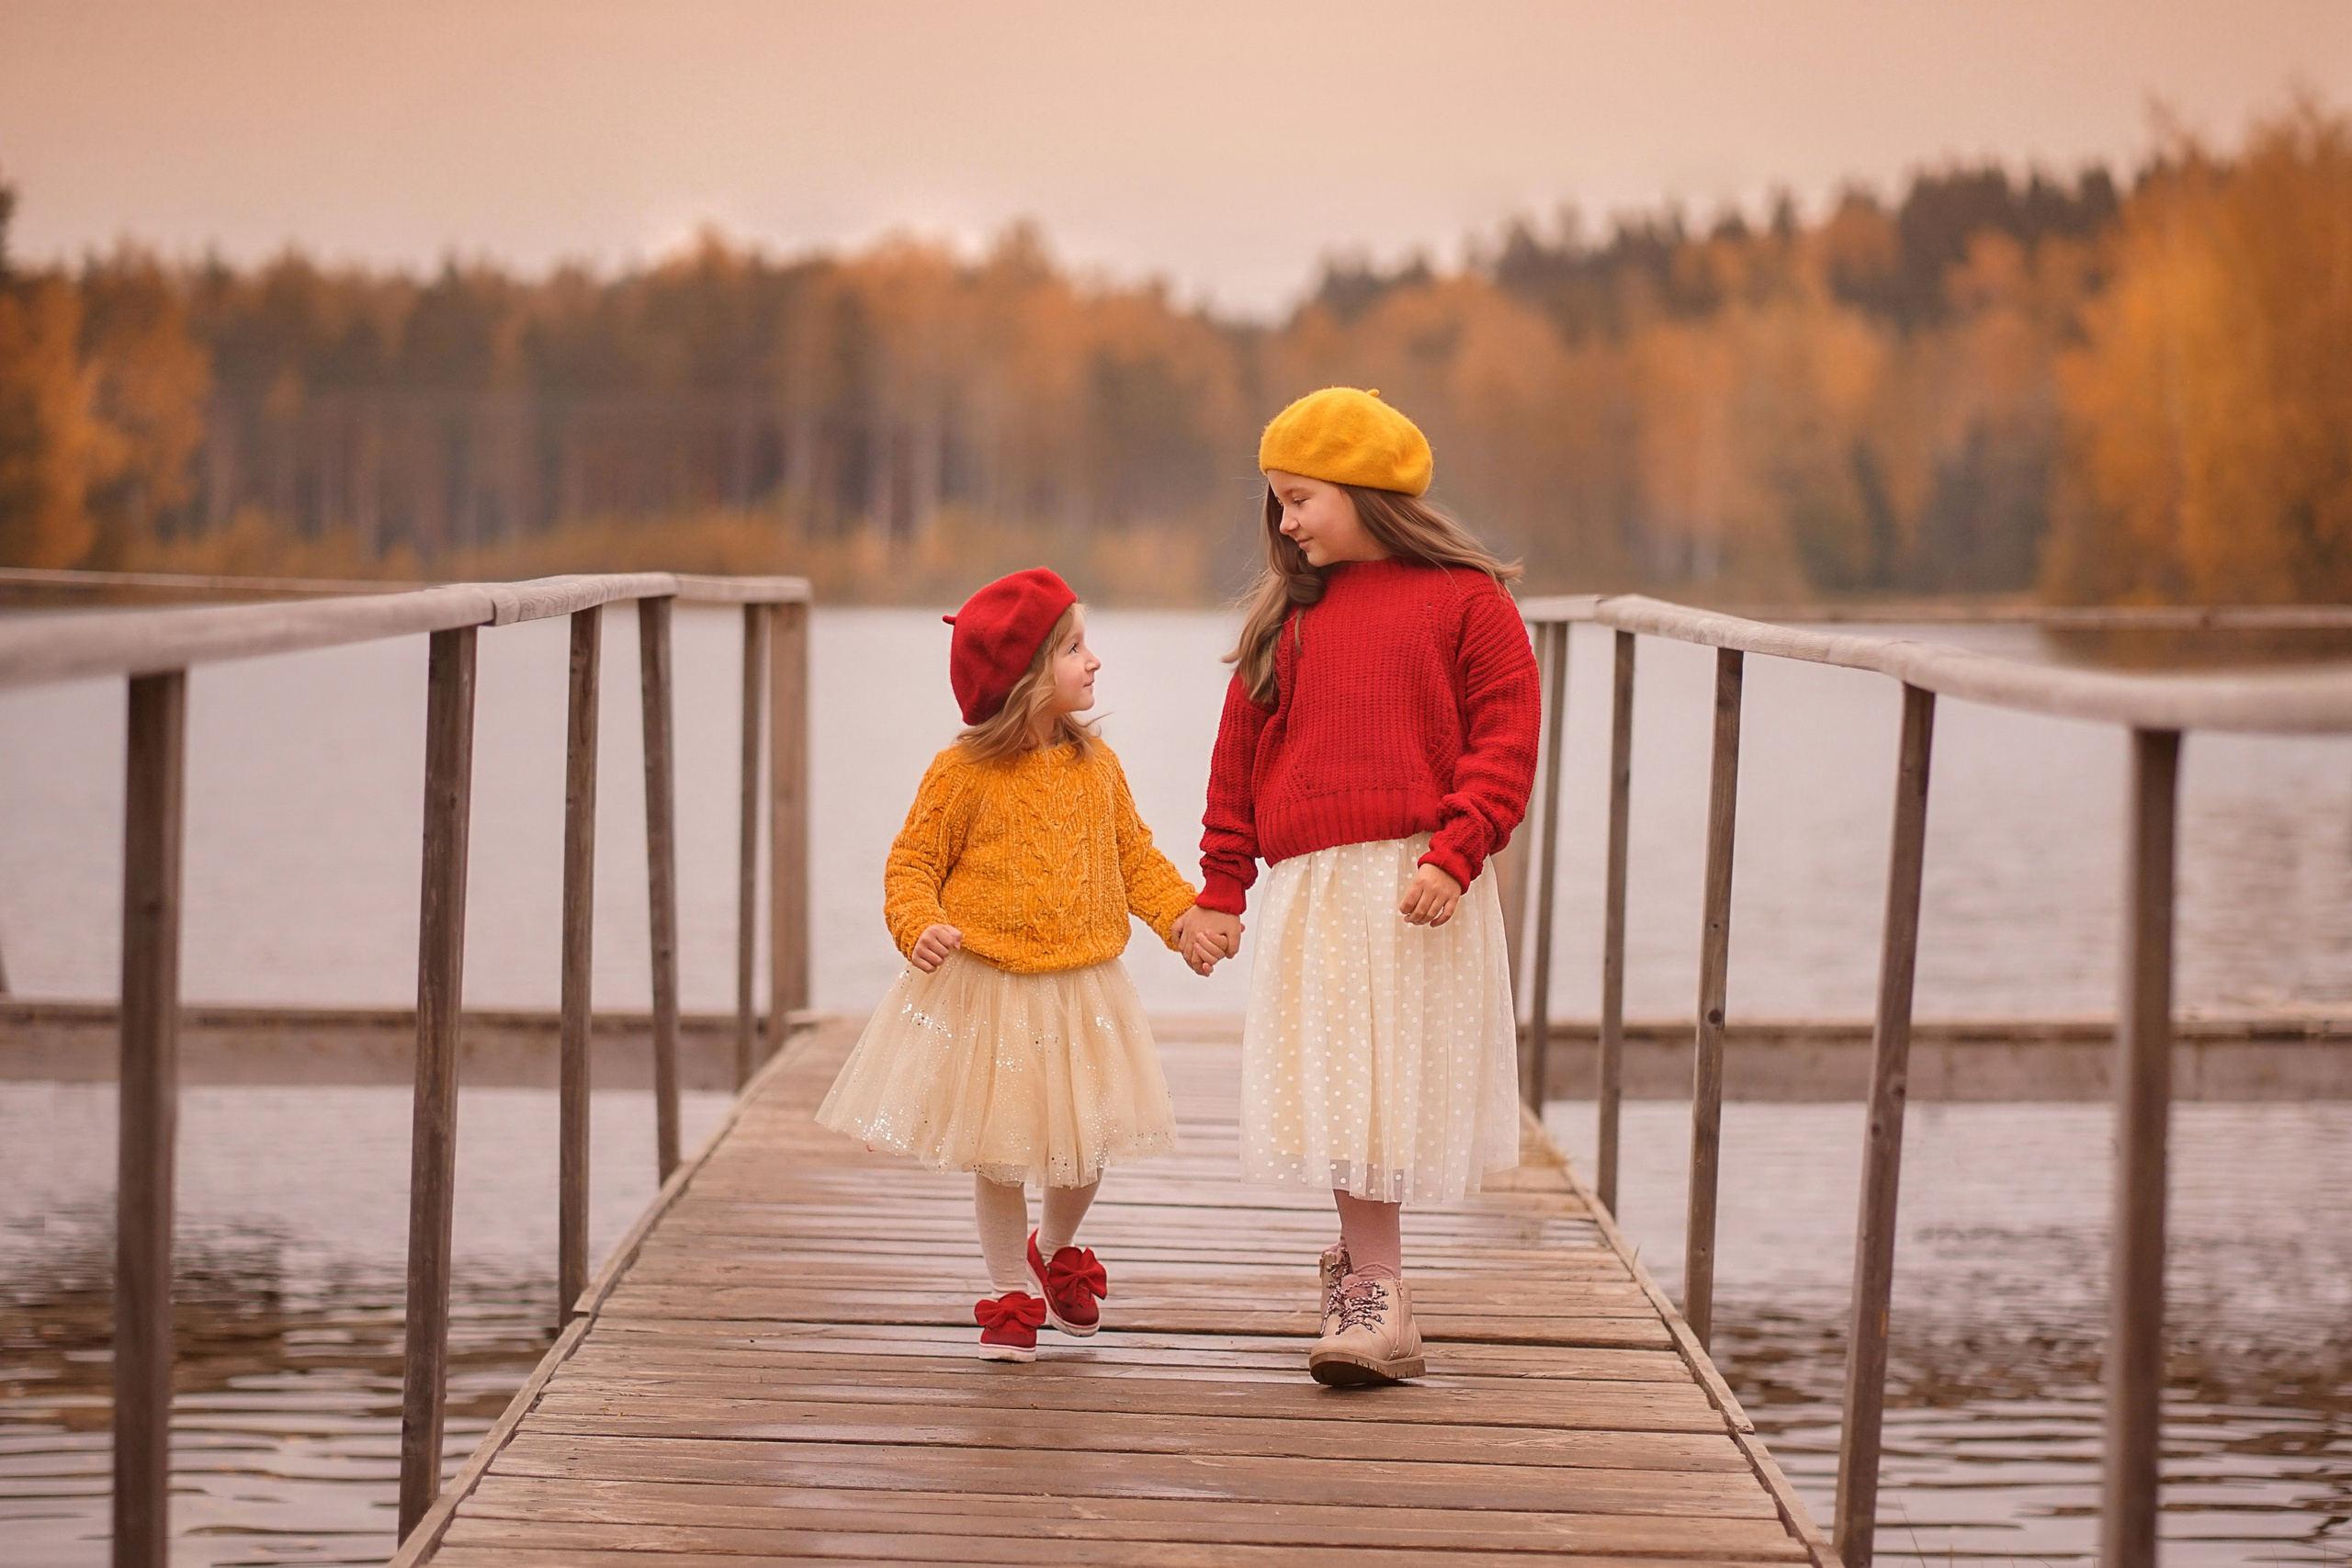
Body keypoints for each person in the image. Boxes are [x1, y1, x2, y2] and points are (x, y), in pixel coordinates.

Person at [1182, 389, 1540, 1385]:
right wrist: (1221, 890)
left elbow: (1505, 740)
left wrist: (1456, 851)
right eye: (1277, 505)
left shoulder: (1469, 602)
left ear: (1367, 491)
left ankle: (1368, 1284)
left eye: (1299, 499)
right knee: (1348, 1096)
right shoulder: (1285, 618)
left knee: (1389, 1097)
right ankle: (1374, 1290)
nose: (1285, 522)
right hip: (1314, 894)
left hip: (1417, 885)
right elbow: (1235, 767)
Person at [817, 567, 1224, 1362]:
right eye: (1074, 647)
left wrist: (1181, 918)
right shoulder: (960, 774)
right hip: (992, 986)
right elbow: (912, 867)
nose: (1094, 660)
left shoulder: (1095, 766)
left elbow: (1133, 855)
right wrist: (921, 924)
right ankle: (1008, 1285)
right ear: (1026, 676)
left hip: (1083, 983)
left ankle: (1056, 1242)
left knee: (1087, 1137)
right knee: (1000, 1144)